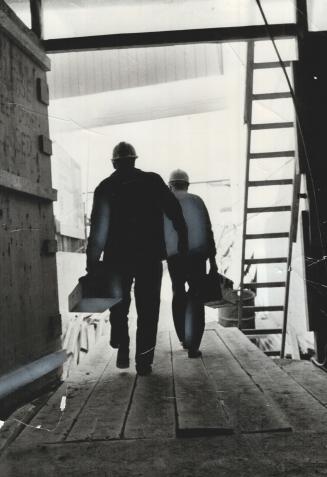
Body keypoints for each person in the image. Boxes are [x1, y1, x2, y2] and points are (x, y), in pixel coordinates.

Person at [86, 142, 188, 376]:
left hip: (116, 258)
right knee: (149, 309)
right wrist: (182, 241)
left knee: (119, 305)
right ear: (134, 160)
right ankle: (144, 362)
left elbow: (98, 231)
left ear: (114, 162)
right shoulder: (153, 181)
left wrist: (92, 265)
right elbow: (175, 212)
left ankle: (122, 344)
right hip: (148, 257)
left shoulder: (105, 187)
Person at [165, 169, 217, 358]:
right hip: (197, 258)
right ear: (187, 185)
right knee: (196, 297)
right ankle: (194, 344)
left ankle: (183, 339)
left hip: (176, 258)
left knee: (178, 293)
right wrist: (213, 261)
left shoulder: (166, 203)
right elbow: (208, 231)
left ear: (170, 185)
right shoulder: (197, 201)